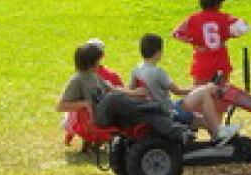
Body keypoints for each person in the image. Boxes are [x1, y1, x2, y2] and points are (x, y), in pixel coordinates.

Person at [56, 43, 186, 143]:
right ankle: (157, 107)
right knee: (113, 98)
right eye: (98, 61)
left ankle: (180, 133)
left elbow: (114, 89)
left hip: (112, 111)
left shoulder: (95, 75)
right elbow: (61, 106)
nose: (100, 64)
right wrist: (84, 103)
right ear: (90, 62)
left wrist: (135, 93)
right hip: (99, 117)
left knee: (145, 115)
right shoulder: (77, 79)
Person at [131, 33, 239, 144]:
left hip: (156, 111)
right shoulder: (158, 72)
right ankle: (218, 132)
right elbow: (178, 91)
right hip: (169, 111)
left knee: (200, 119)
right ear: (158, 52)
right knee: (205, 93)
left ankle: (217, 137)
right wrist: (203, 87)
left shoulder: (137, 69)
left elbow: (131, 91)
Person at [172, 0, 251, 93]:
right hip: (220, 60)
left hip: (202, 61)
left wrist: (192, 41)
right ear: (217, 3)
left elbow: (176, 33)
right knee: (221, 94)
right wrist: (230, 34)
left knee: (200, 94)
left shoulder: (193, 19)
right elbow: (244, 27)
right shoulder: (225, 17)